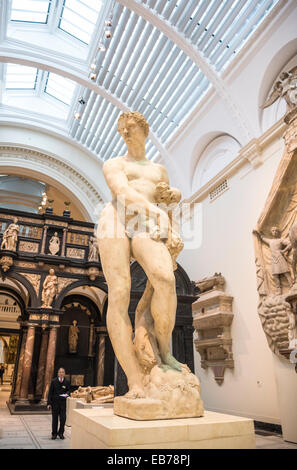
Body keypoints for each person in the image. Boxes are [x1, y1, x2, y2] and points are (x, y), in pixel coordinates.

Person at [97, 111, 184, 399]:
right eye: (121, 129)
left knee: (164, 278)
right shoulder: (114, 164)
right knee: (120, 292)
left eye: (130, 127)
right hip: (117, 220)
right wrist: (157, 211)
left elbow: (167, 205)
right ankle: (134, 380)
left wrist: (173, 228)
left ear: (145, 130)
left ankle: (164, 351)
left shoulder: (159, 171)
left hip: (146, 225)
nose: (125, 132)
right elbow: (121, 192)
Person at [47, 367, 70, 440]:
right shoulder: (54, 381)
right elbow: (50, 393)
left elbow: (69, 391)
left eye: (62, 372)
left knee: (63, 419)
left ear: (64, 373)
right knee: (55, 420)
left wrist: (67, 394)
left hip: (63, 404)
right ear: (58, 373)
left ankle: (61, 433)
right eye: (60, 372)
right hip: (55, 403)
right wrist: (49, 403)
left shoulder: (67, 382)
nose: (61, 373)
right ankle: (54, 434)